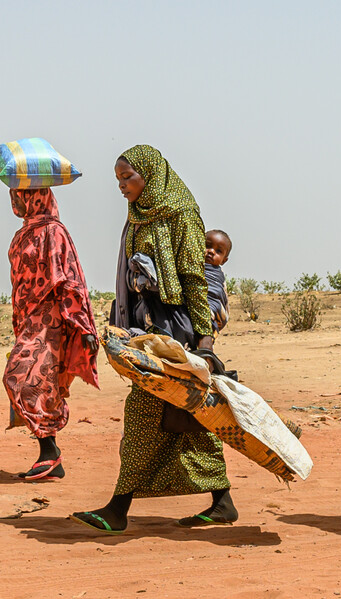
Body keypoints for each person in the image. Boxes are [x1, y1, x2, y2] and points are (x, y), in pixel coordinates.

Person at [72, 145, 231, 534]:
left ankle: (117, 509)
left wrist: (205, 343)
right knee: (187, 417)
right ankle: (222, 501)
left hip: (173, 330)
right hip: (145, 326)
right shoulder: (138, 216)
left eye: (128, 178)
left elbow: (193, 277)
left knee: (144, 414)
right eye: (118, 180)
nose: (123, 186)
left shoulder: (180, 214)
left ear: (151, 175)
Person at [3, 188, 101, 481]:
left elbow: (70, 278)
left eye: (19, 196)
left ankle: (50, 453)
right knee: (40, 383)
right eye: (13, 196)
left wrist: (81, 323)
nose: (15, 202)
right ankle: (49, 457)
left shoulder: (54, 232)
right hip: (29, 320)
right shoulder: (23, 233)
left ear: (35, 197)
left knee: (19, 378)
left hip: (51, 320)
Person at [204, 229, 233, 335]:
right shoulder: (188, 267)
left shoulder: (217, 276)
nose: (211, 251)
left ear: (224, 260)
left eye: (218, 251)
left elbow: (217, 295)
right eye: (207, 246)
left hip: (210, 315)